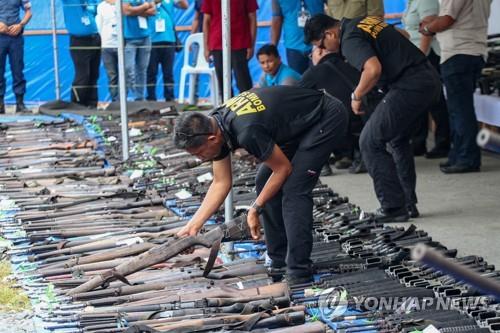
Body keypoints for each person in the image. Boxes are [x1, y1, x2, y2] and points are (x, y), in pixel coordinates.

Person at [174, 86, 349, 284]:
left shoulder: (246, 131)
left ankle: (299, 271)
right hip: (296, 124)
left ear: (212, 139)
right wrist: (192, 227)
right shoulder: (216, 124)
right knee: (264, 181)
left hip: (325, 117)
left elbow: (283, 169)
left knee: (294, 189)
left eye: (198, 154)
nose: (199, 159)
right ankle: (278, 260)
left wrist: (255, 208)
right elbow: (221, 182)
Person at [304, 14, 441, 221]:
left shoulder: (348, 38)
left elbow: (373, 69)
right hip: (426, 78)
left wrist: (356, 95)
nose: (324, 51)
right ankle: (406, 203)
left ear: (330, 33)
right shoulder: (364, 21)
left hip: (409, 85)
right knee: (396, 138)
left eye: (322, 45)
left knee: (369, 141)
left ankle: (393, 207)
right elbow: (402, 34)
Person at [420, 0, 491, 174]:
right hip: (474, 50)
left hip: (457, 52)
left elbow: (447, 19)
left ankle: (467, 158)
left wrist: (428, 28)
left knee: (460, 110)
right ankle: (459, 154)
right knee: (460, 109)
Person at [300, 46, 370, 175]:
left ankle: (320, 163)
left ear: (320, 51)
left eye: (311, 55)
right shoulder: (355, 67)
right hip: (361, 123)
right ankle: (357, 156)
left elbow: (298, 99)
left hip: (332, 126)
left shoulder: (313, 72)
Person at [402, 0, 450, 159]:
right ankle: (419, 142)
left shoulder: (425, 0)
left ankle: (443, 143)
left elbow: (428, 31)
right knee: (418, 100)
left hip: (426, 54)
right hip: (416, 54)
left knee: (435, 102)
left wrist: (420, 57)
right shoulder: (411, 2)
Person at [202, 0, 257, 97]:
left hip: (240, 42)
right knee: (223, 83)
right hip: (218, 42)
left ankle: (250, 109)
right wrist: (206, 47)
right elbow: (206, 20)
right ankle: (227, 110)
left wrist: (251, 44)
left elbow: (252, 17)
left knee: (243, 82)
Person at [62, 0, 101, 108]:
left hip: (94, 38)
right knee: (83, 74)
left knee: (94, 73)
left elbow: (93, 12)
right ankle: (77, 104)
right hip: (79, 40)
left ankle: (92, 104)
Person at [146, 0, 188, 101]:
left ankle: (170, 98)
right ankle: (151, 99)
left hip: (169, 40)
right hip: (152, 40)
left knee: (168, 73)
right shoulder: (147, 2)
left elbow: (185, 5)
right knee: (151, 73)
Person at [271, 0, 324, 74]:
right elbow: (276, 19)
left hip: (319, 44)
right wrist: (273, 47)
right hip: (293, 48)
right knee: (297, 82)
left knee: (321, 80)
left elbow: (333, 7)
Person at [0, 0, 32, 114]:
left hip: (16, 38)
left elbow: (29, 12)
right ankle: (0, 105)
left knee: (18, 70)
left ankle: (20, 104)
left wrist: (21, 25)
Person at [122, 0, 156, 101]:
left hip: (145, 37)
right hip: (129, 38)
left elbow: (153, 11)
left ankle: (139, 97)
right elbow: (126, 11)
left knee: (142, 69)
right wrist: (145, 6)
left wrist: (134, 10)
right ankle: (127, 95)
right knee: (128, 68)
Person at [96, 0, 119, 102]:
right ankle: (116, 101)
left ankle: (126, 100)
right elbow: (99, 26)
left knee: (127, 74)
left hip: (122, 44)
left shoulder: (123, 3)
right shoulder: (101, 6)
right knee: (112, 75)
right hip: (107, 45)